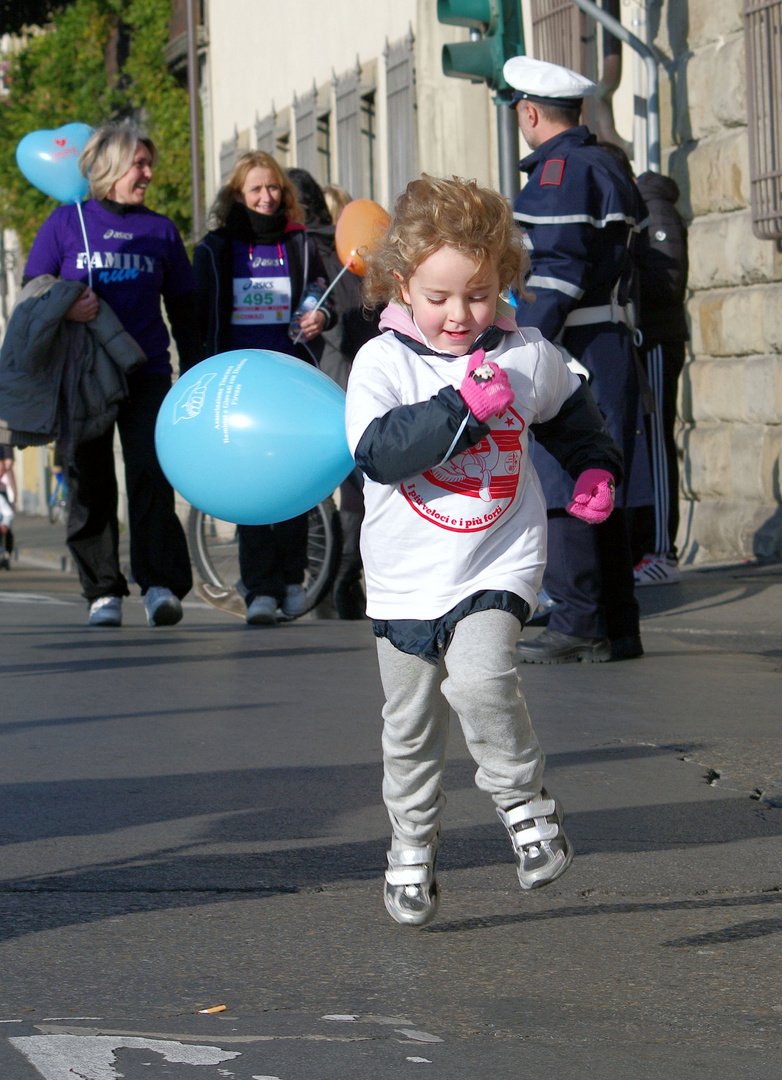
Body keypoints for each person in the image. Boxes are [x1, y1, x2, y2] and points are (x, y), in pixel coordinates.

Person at [345, 175, 623, 926]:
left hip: (496, 559)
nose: (460, 315)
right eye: (439, 298)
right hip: (406, 579)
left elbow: (572, 415)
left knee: (479, 679)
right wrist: (459, 407)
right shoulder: (383, 363)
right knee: (407, 728)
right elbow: (379, 450)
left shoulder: (527, 352)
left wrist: (597, 470)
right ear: (403, 284)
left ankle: (526, 807)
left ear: (503, 279)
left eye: (477, 293)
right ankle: (411, 846)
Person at [23, 122, 199, 628]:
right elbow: (32, 290)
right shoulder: (64, 224)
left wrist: (194, 371)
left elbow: (184, 307)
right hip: (83, 375)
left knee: (150, 474)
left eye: (148, 163)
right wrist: (65, 307)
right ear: (109, 166)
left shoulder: (161, 229)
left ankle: (160, 584)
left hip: (147, 373)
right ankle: (102, 589)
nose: (147, 172)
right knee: (90, 478)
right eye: (138, 163)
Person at [506, 56, 652, 665]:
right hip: (612, 341)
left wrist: (522, 345)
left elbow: (555, 275)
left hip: (577, 344)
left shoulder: (558, 173)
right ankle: (617, 625)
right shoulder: (605, 162)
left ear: (530, 113)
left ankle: (577, 622)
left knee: (565, 478)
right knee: (602, 478)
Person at [194, 152, 337, 626]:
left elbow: (320, 289)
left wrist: (319, 313)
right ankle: (260, 587)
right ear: (238, 194)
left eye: (273, 188)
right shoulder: (216, 247)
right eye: (255, 189)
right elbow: (201, 315)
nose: (266, 197)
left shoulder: (299, 243)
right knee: (250, 482)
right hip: (237, 381)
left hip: (289, 375)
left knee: (291, 479)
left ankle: (292, 580)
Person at [288, 169, 379, 619]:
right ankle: (339, 580)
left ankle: (332, 579)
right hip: (348, 372)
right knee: (355, 488)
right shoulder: (336, 247)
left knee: (338, 485)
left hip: (327, 374)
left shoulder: (313, 249)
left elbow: (339, 308)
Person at [630, 170, 689, 585]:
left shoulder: (655, 208)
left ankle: (662, 552)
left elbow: (668, 278)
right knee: (647, 442)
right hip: (645, 339)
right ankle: (648, 548)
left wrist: (624, 271)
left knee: (657, 442)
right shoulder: (644, 209)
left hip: (656, 340)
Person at [0, 446, 15, 569]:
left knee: (7, 530)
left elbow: (9, 460)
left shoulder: (4, 441)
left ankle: (6, 555)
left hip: (4, 491)